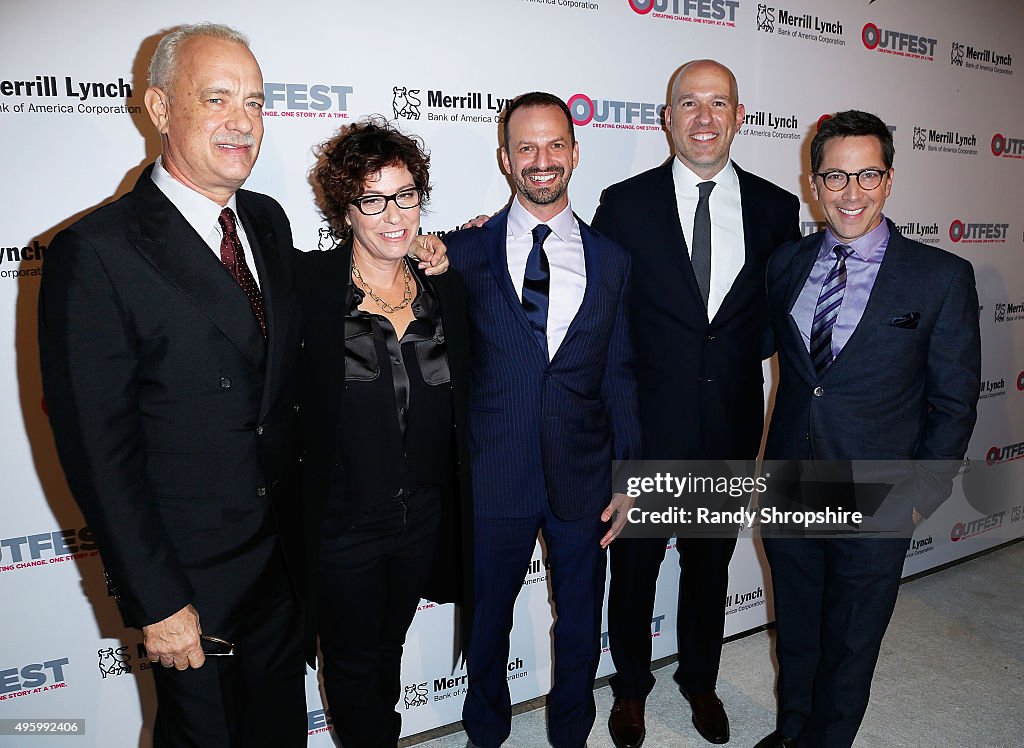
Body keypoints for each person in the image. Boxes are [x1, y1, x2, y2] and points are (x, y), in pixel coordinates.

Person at [37, 24, 446, 746]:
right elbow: (99, 452)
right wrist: (157, 601)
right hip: (192, 580)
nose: (242, 121)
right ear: (161, 108)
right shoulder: (96, 252)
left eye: (254, 102)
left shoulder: (263, 218)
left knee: (278, 730)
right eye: (217, 98)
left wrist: (412, 241)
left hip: (287, 561)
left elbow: (331, 296)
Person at [754, 110, 981, 748]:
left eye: (867, 176)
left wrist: (919, 497)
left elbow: (955, 403)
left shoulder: (939, 277)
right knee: (797, 627)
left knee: (852, 641)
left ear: (888, 180)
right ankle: (792, 728)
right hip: (793, 478)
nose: (851, 194)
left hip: (878, 489)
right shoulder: (786, 265)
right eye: (835, 177)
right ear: (813, 182)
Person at [592, 59, 800, 747]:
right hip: (646, 432)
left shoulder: (777, 209)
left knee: (710, 572)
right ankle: (628, 692)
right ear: (666, 118)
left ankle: (701, 683)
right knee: (634, 576)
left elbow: (781, 321)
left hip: (727, 429)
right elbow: (598, 315)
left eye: (719, 103)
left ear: (740, 117)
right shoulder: (624, 205)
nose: (704, 117)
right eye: (689, 103)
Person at [443, 92, 640, 748]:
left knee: (582, 620)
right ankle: (484, 735)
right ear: (504, 158)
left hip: (583, 473)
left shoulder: (613, 261)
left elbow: (621, 374)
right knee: (486, 621)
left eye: (555, 144)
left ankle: (571, 736)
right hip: (493, 469)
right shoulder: (461, 254)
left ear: (576, 153)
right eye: (525, 147)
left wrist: (629, 474)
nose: (541, 159)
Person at [297, 117, 472, 748]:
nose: (394, 214)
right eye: (373, 200)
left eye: (406, 196)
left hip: (422, 514)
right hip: (344, 520)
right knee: (351, 660)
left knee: (388, 645)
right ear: (347, 210)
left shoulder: (442, 288)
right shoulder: (310, 286)